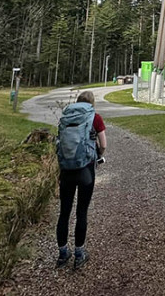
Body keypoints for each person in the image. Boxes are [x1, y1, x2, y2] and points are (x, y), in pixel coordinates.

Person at [56, 90, 106, 269]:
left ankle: (62, 254)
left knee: (64, 212)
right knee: (81, 212)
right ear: (92, 103)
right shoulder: (95, 117)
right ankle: (79, 253)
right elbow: (104, 143)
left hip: (66, 169)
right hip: (85, 169)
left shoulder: (66, 117)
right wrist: (99, 154)